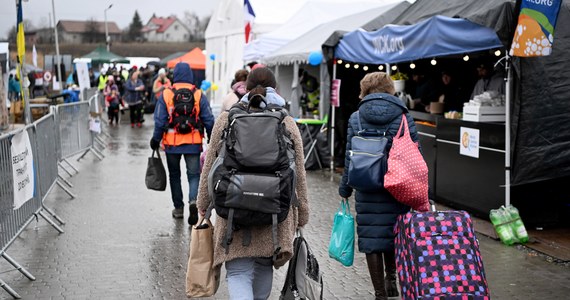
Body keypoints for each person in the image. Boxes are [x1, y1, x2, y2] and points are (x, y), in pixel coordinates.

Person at [196, 67, 309, 299]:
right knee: (264, 264)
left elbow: (209, 166)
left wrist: (203, 203)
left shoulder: (227, 119)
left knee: (238, 271)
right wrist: (303, 213)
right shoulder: (286, 121)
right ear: (275, 89)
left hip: (233, 206)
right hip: (274, 211)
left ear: (245, 88)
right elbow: (299, 170)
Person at [339, 72, 422, 300]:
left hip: (366, 185)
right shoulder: (404, 117)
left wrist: (345, 187)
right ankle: (391, 278)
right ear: (389, 89)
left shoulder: (356, 117)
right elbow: (416, 154)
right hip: (398, 186)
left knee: (371, 239)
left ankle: (379, 294)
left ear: (364, 89)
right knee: (395, 235)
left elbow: (349, 155)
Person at [150, 62, 215, 224]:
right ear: (190, 75)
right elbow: (208, 119)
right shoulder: (198, 94)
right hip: (193, 143)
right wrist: (211, 138)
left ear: (175, 75)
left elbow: (159, 120)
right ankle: (193, 201)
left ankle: (178, 209)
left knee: (174, 176)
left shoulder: (166, 94)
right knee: (193, 175)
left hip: (172, 144)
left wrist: (155, 140)